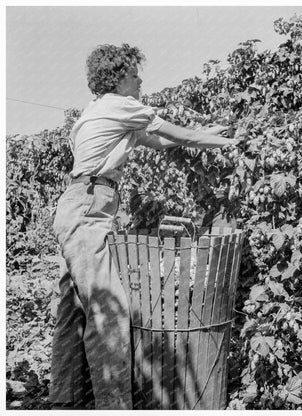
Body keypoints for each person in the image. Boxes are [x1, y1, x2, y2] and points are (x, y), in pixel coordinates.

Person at [49, 43, 239, 410]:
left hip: (79, 206)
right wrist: (228, 142)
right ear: (119, 78)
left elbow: (165, 142)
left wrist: (208, 132)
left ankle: (65, 401)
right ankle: (114, 406)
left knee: (73, 310)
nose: (141, 81)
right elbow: (180, 136)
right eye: (135, 75)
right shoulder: (122, 106)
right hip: (89, 208)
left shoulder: (96, 113)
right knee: (110, 312)